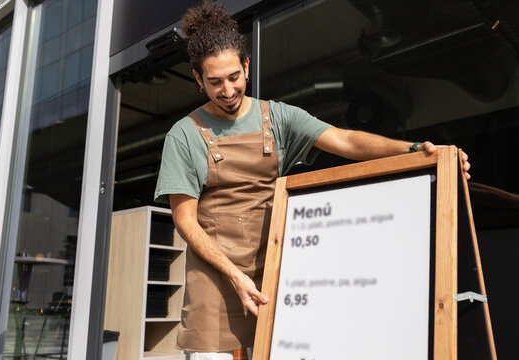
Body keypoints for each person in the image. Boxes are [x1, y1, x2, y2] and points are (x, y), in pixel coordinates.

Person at [154, 1, 470, 359]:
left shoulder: (279, 117)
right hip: (214, 278)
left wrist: (413, 149)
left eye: (234, 77)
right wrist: (234, 276)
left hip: (273, 272)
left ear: (246, 65)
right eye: (214, 82)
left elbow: (346, 140)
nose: (227, 90)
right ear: (198, 79)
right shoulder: (184, 134)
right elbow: (185, 221)